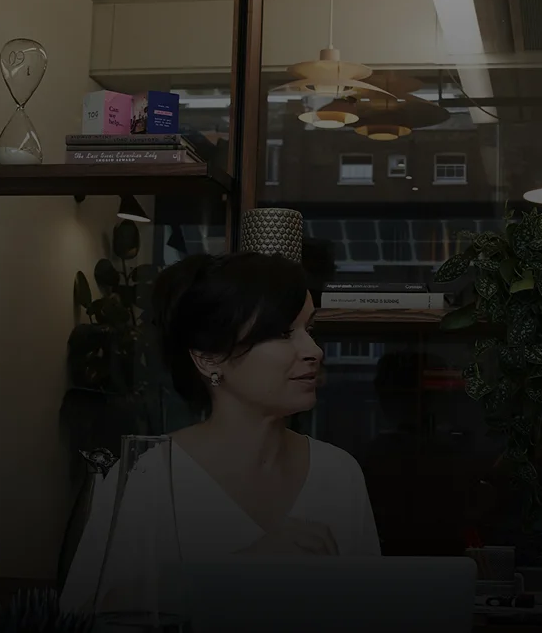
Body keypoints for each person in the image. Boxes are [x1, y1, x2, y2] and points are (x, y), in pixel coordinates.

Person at [61, 252, 380, 613]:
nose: (314, 351)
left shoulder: (340, 474)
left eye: (310, 330)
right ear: (208, 357)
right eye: (282, 333)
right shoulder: (145, 477)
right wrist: (236, 574)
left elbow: (370, 617)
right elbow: (85, 626)